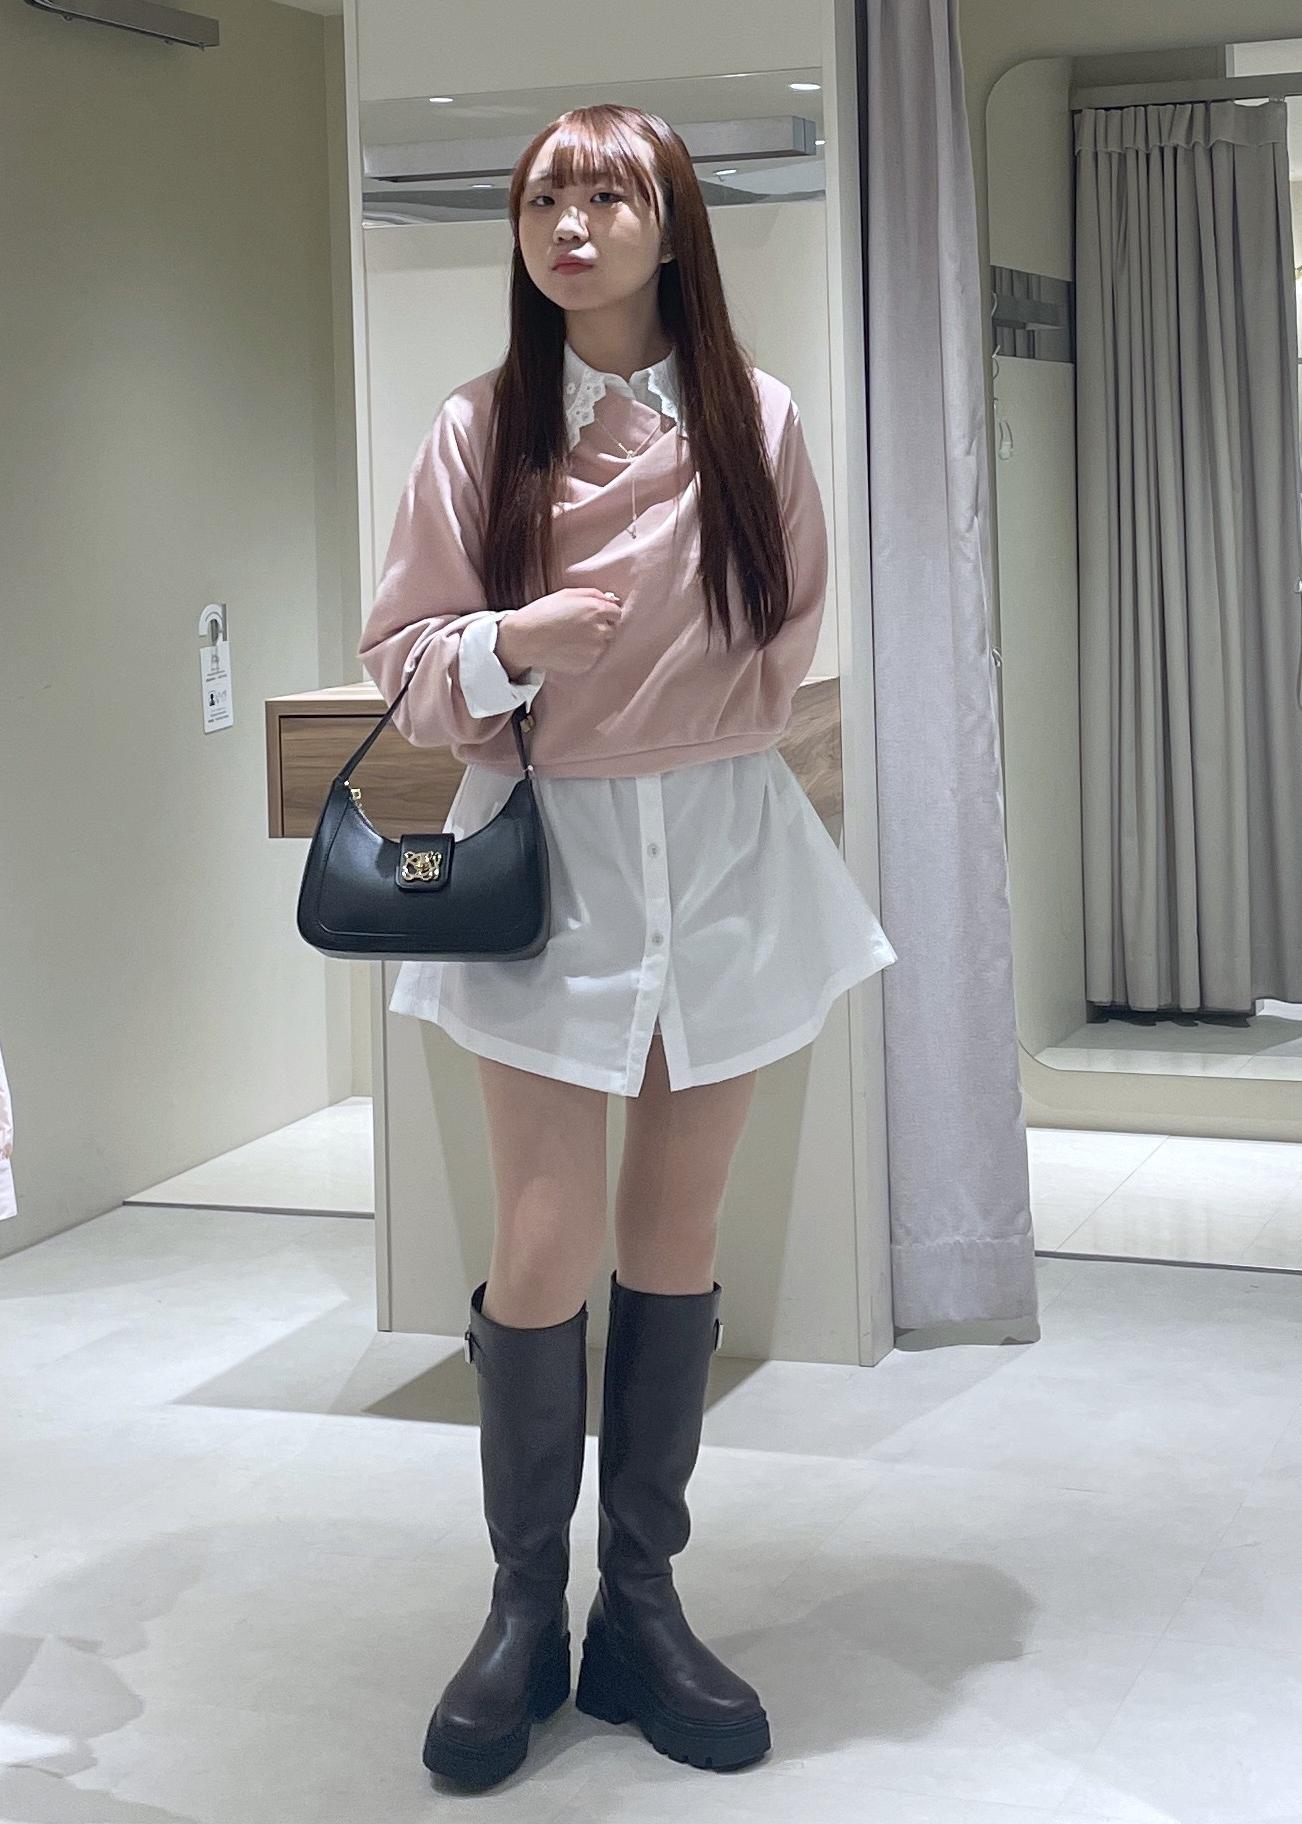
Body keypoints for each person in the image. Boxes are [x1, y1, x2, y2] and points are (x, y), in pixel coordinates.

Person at [357, 102, 897, 1791]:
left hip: (726, 848)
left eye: (607, 194)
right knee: (541, 1236)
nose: (570, 225)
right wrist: (509, 646)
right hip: (550, 856)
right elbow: (402, 656)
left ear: (672, 227)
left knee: (676, 1231)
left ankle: (639, 1607)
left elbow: (784, 637)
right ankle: (522, 1610)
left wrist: (674, 718)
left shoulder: (756, 419)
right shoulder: (478, 428)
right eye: (544, 198)